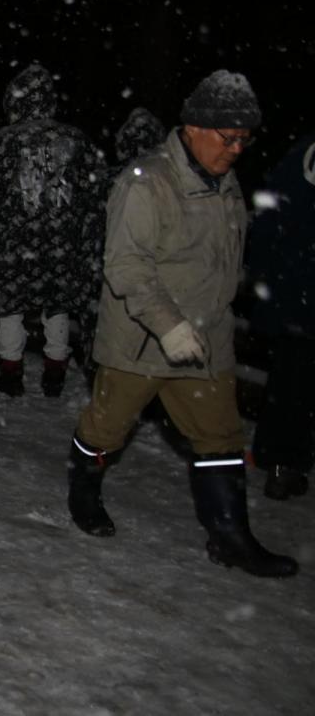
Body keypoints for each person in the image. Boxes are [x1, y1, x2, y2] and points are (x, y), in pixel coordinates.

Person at [66, 70, 297, 578]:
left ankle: (230, 535)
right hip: (141, 341)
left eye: (245, 139)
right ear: (192, 127)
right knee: (107, 428)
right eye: (227, 137)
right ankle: (83, 486)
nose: (237, 149)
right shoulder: (145, 184)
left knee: (221, 439)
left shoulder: (227, 184)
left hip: (207, 339)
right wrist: (169, 325)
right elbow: (125, 265)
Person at [0, 64, 105, 397]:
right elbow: (97, 196)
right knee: (58, 306)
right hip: (62, 246)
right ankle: (54, 374)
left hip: (11, 246)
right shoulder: (76, 141)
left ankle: (11, 373)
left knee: (9, 306)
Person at [246, 129, 315, 500]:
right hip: (301, 292)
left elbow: (268, 215)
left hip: (292, 291)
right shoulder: (303, 157)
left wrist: (265, 277)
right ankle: (285, 463)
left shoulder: (299, 155)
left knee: (289, 381)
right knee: (297, 383)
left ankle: (277, 459)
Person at [78, 107, 168, 379]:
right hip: (146, 280)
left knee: (103, 341)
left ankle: (102, 385)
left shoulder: (108, 180)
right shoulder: (166, 185)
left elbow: (87, 229)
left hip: (106, 277)